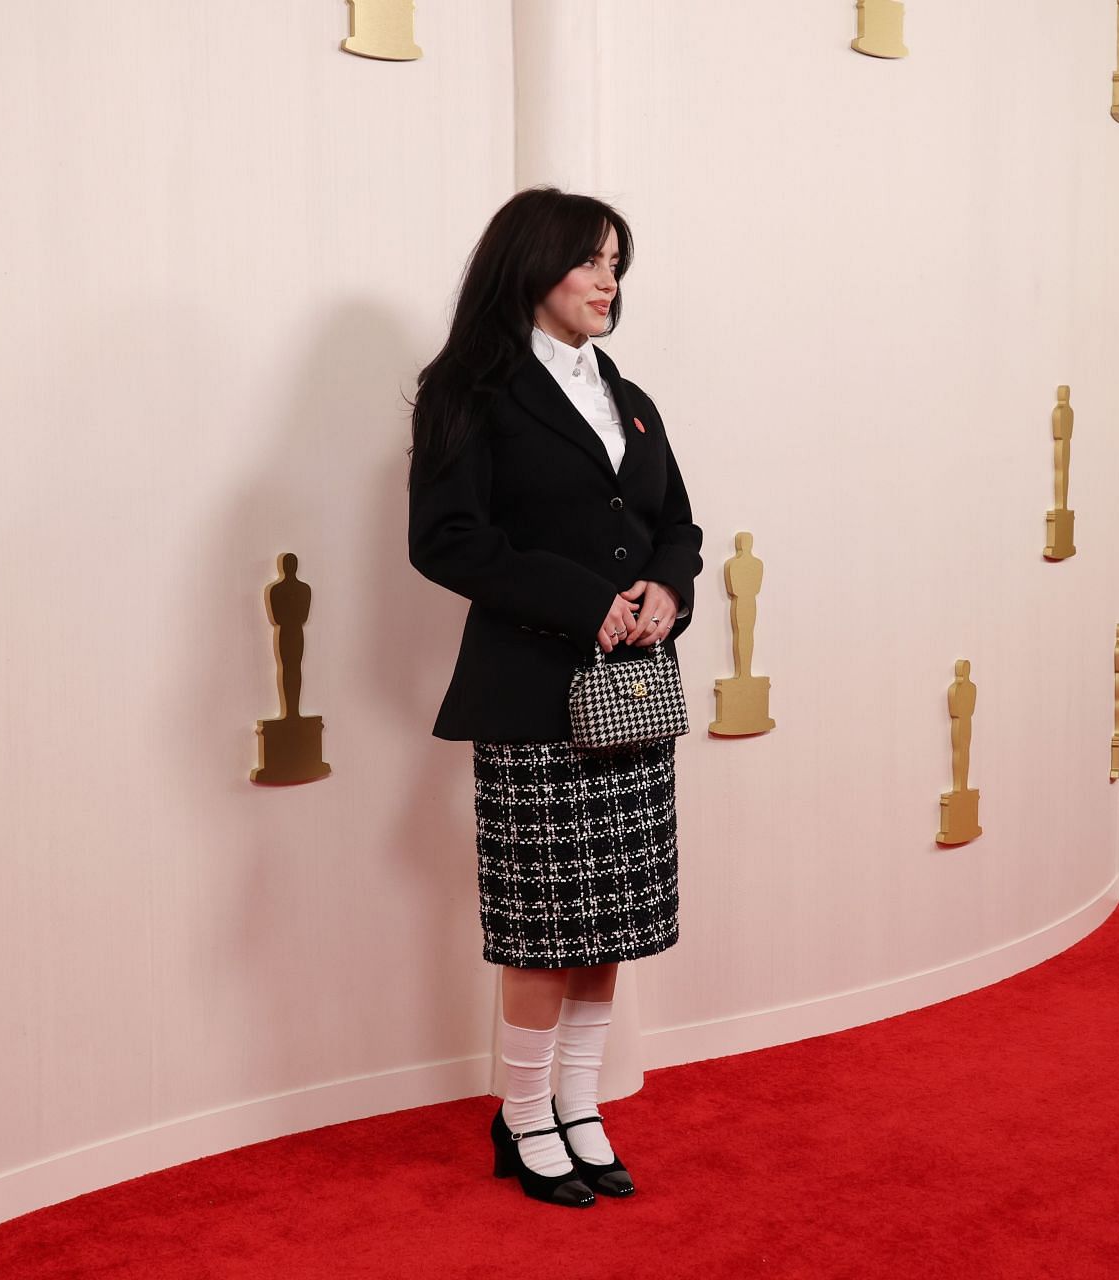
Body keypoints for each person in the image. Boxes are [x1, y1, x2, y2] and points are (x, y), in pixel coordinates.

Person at [408, 188, 704, 1206]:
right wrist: (588, 603)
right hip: (534, 692)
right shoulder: (468, 388)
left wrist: (668, 587)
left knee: (610, 917)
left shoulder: (628, 395)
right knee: (545, 923)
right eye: (591, 261)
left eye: (618, 261)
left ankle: (581, 1103)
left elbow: (677, 525)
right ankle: (523, 1115)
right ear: (534, 266)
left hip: (629, 694)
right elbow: (446, 540)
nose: (609, 280)